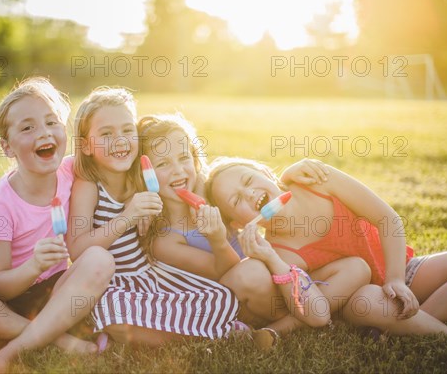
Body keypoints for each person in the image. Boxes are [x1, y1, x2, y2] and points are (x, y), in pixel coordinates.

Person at [0, 78, 115, 373]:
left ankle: (25, 339)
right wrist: (34, 266)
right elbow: (0, 287)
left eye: (51, 122)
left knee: (100, 259)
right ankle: (57, 339)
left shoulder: (71, 170)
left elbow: (108, 157)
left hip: (55, 292)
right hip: (6, 298)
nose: (44, 133)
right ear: (7, 146)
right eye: (27, 128)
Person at [136, 114, 372, 336]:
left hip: (276, 273)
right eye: (163, 164)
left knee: (356, 267)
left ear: (195, 159)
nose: (178, 170)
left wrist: (286, 176)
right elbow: (226, 272)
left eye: (183, 157)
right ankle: (286, 327)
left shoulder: (204, 189)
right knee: (253, 272)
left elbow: (254, 193)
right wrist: (217, 240)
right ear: (145, 174)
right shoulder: (165, 240)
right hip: (245, 292)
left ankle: (322, 312)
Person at [206, 156, 447, 336]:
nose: (249, 193)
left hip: (400, 270)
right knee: (367, 299)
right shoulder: (280, 252)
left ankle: (416, 321)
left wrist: (397, 279)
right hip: (363, 300)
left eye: (249, 181)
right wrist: (270, 257)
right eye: (236, 199)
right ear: (238, 223)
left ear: (264, 173)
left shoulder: (319, 181)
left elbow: (387, 219)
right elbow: (312, 309)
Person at [68, 87, 240, 347]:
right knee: (111, 309)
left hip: (151, 277)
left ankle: (214, 327)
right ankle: (209, 333)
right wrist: (127, 217)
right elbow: (76, 249)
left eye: (128, 130)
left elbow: (185, 172)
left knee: (219, 296)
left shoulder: (138, 177)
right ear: (86, 145)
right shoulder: (90, 185)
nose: (120, 141)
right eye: (106, 134)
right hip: (111, 284)